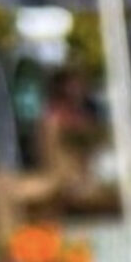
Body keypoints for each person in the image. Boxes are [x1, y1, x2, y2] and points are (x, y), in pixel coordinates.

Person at [36, 67, 101, 200]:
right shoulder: (52, 120)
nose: (76, 89)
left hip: (83, 181)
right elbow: (49, 158)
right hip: (61, 182)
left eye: (79, 84)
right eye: (71, 84)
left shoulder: (83, 118)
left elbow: (88, 157)